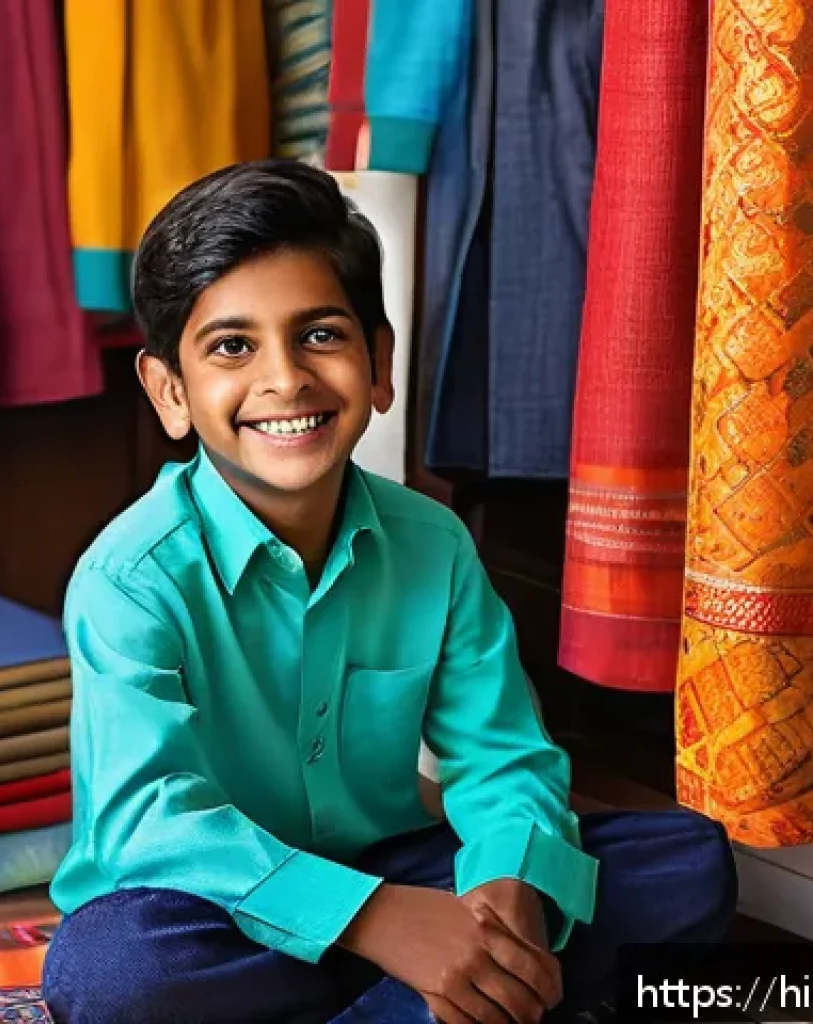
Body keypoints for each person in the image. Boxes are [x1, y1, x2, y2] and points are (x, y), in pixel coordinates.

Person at [41, 160, 737, 1024]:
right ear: (171, 392)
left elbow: (501, 754)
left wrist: (507, 887)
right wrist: (371, 921)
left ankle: (439, 989)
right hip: (208, 908)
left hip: (402, 871)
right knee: (110, 974)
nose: (285, 378)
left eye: (320, 335)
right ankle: (439, 998)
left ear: (379, 363)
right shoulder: (132, 580)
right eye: (232, 347)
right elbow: (151, 822)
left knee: (687, 861)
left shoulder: (433, 545)